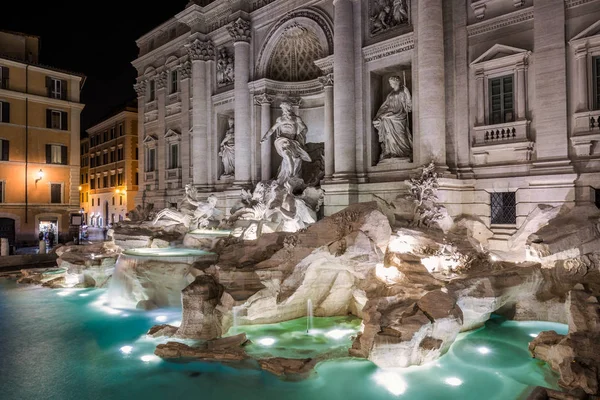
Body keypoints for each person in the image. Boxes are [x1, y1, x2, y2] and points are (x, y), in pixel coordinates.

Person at [260, 102, 311, 185]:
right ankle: (291, 174)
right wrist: (265, 137)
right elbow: (272, 129)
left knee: (292, 156)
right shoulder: (280, 119)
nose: (284, 111)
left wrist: (301, 136)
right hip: (282, 140)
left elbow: (304, 128)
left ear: (289, 109)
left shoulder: (296, 119)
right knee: (286, 153)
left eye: (285, 108)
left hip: (293, 140)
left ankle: (291, 175)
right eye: (283, 109)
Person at [373, 75, 413, 161]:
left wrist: (408, 93)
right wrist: (380, 115)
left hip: (399, 115)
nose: (390, 84)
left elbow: (409, 106)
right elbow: (386, 105)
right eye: (390, 83)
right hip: (390, 114)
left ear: (396, 82)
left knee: (401, 133)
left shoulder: (403, 91)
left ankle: (404, 152)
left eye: (391, 83)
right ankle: (390, 151)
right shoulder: (390, 94)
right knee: (387, 127)